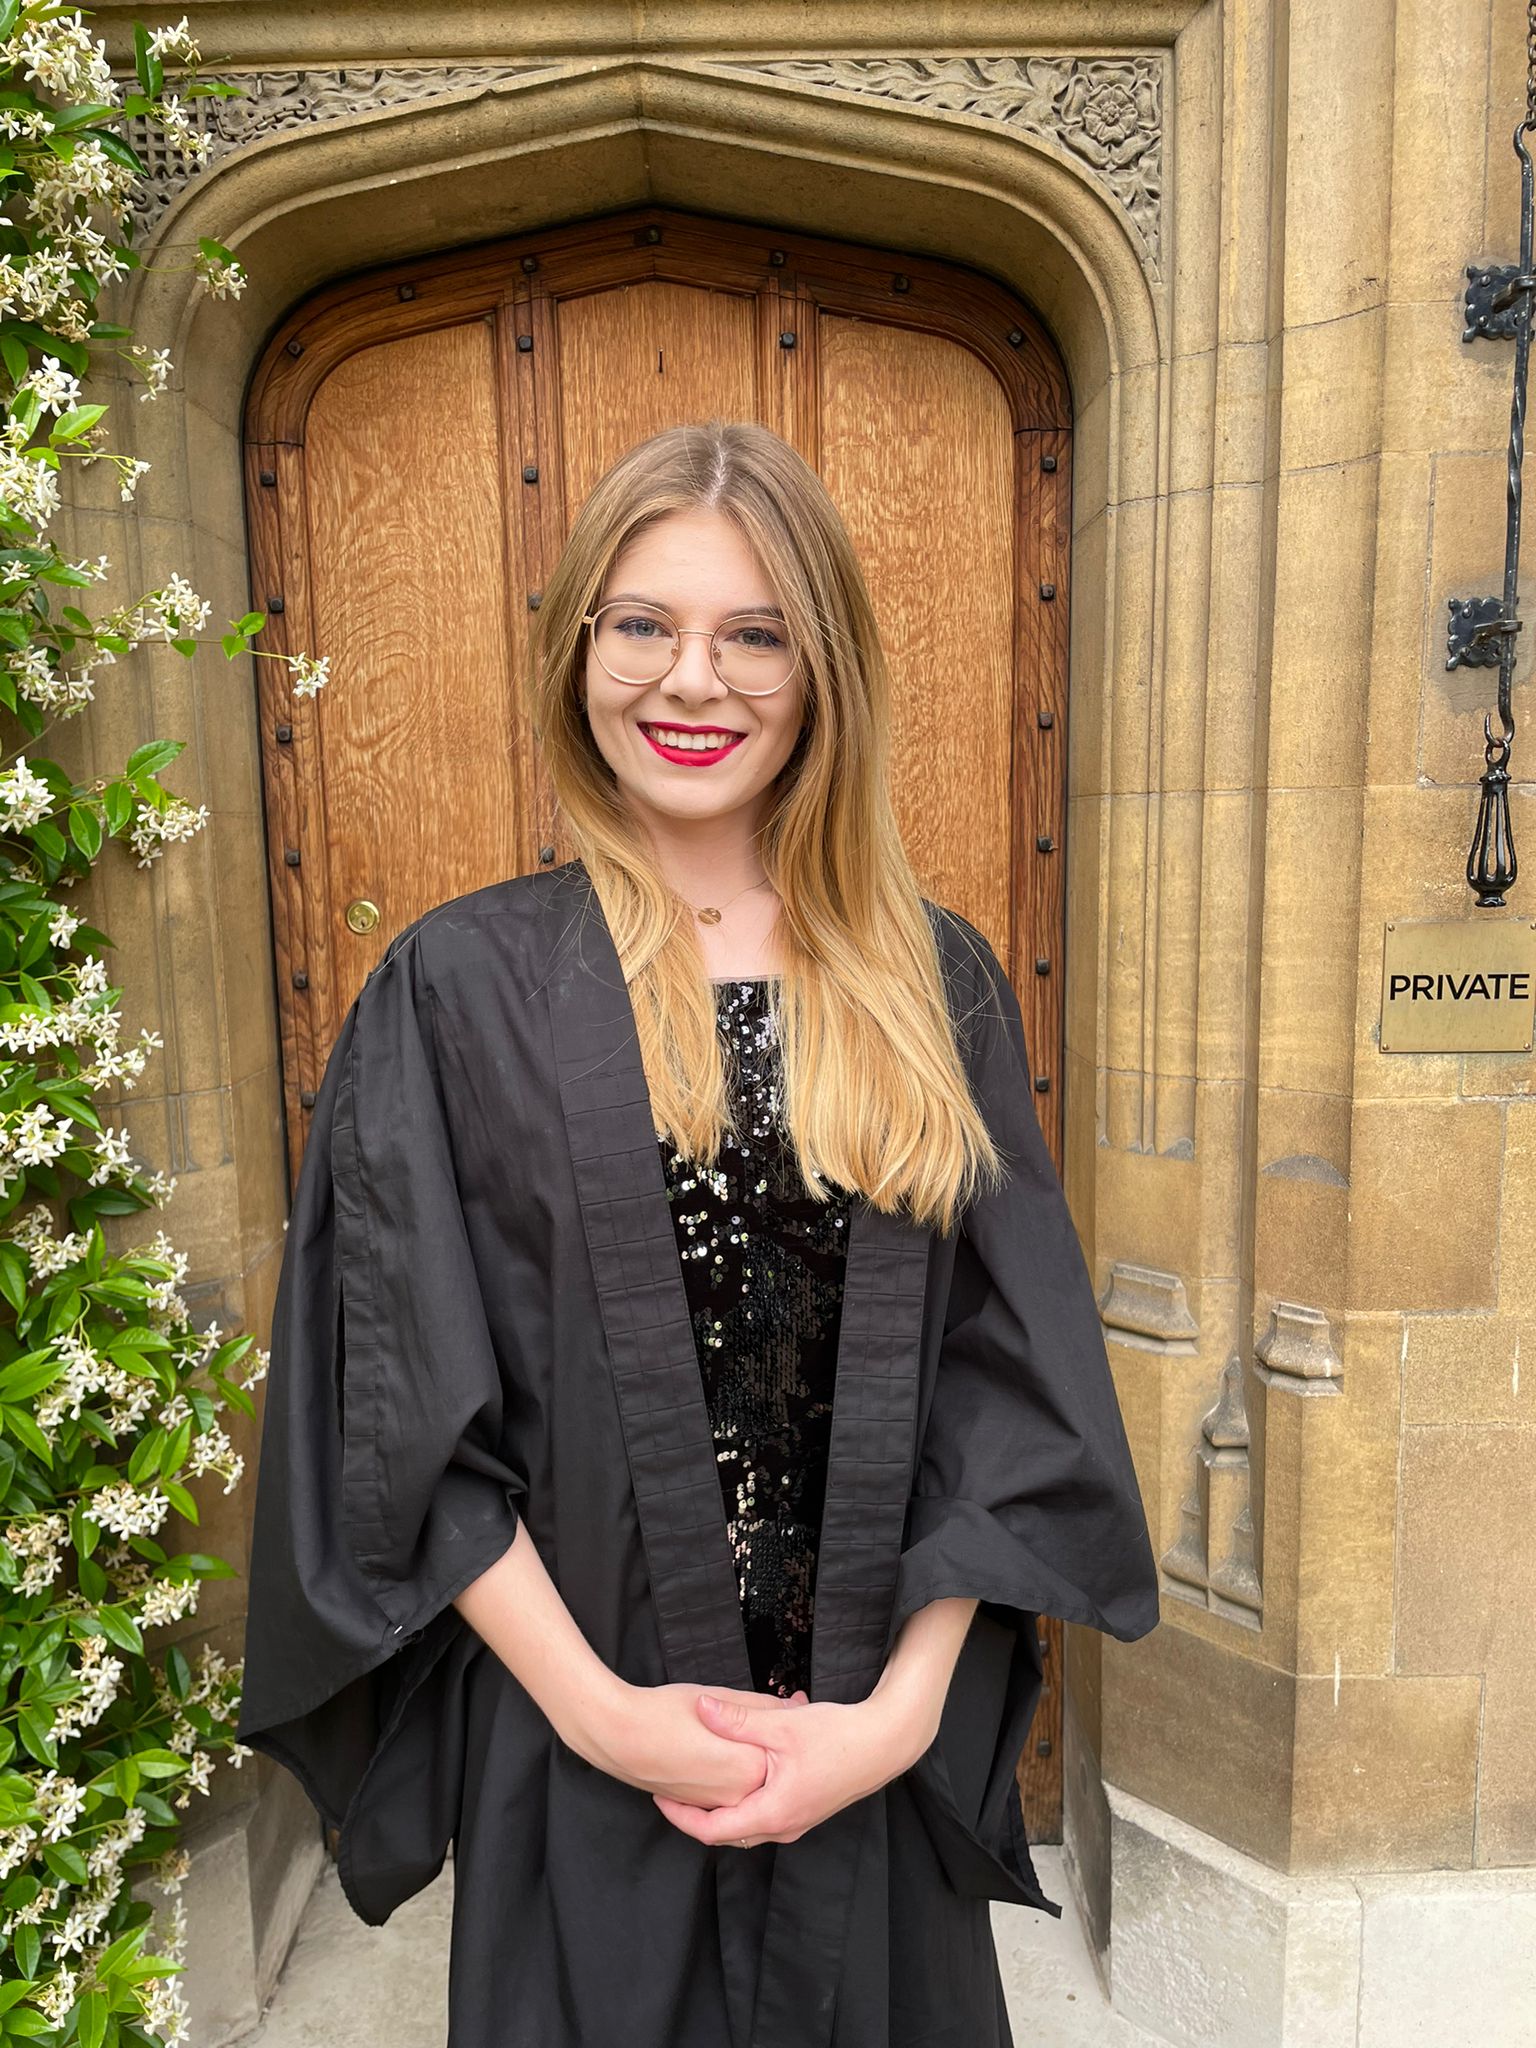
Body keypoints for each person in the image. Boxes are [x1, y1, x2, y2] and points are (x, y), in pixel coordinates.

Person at [234, 418, 1161, 2048]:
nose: (693, 681)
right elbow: (396, 1409)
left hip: (868, 1759)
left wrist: (890, 1726)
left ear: (823, 669)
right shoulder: (461, 991)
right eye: (644, 623)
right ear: (580, 644)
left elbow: (1004, 1391)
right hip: (586, 1756)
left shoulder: (926, 983)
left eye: (754, 632)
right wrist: (606, 1720)